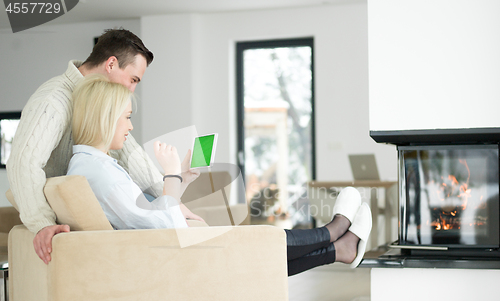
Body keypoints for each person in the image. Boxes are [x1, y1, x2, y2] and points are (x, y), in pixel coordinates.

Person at [67, 75, 373, 276]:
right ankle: (334, 233)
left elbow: (152, 215)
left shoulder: (94, 166)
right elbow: (162, 224)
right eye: (127, 117)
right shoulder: (99, 173)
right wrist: (171, 174)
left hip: (175, 246)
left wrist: (182, 178)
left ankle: (338, 248)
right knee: (262, 242)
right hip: (175, 254)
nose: (130, 126)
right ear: (105, 118)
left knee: (260, 249)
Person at [7, 28, 202, 265]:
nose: (131, 89)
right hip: (66, 229)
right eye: (133, 80)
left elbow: (131, 154)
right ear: (111, 64)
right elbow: (23, 163)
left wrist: (172, 196)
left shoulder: (102, 110)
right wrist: (43, 224)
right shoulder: (54, 100)